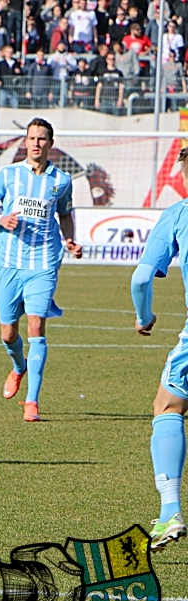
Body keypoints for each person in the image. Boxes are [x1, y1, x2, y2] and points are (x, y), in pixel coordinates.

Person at [0, 118, 82, 422]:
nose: (36, 143)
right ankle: (19, 366)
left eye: (42, 138)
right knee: (8, 334)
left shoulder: (61, 180)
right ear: (25, 142)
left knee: (36, 326)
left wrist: (70, 240)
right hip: (9, 264)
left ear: (50, 143)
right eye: (31, 138)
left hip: (44, 263)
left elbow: (64, 215)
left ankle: (32, 401)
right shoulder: (7, 176)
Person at [130, 146, 188, 552]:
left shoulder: (178, 214)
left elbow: (141, 277)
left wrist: (144, 314)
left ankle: (170, 511)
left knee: (168, 406)